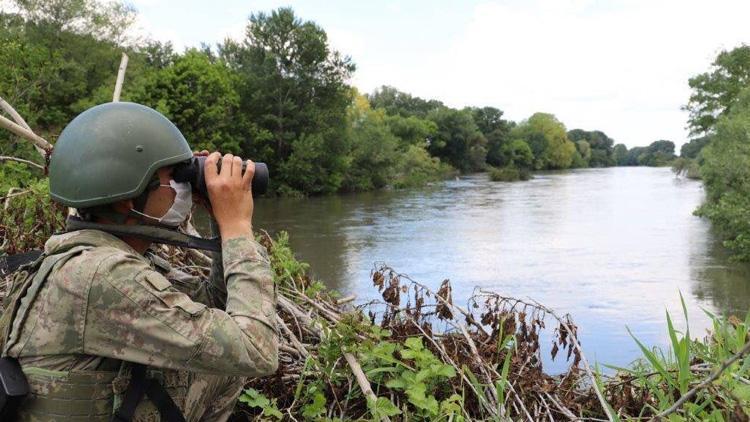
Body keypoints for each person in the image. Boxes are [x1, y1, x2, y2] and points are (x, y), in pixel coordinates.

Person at [0, 102, 279, 421]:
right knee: (230, 362)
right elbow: (257, 349)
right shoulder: (102, 275)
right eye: (172, 177)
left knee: (222, 367)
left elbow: (215, 309)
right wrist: (238, 228)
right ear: (130, 197)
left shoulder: (90, 254)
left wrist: (219, 217)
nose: (181, 187)